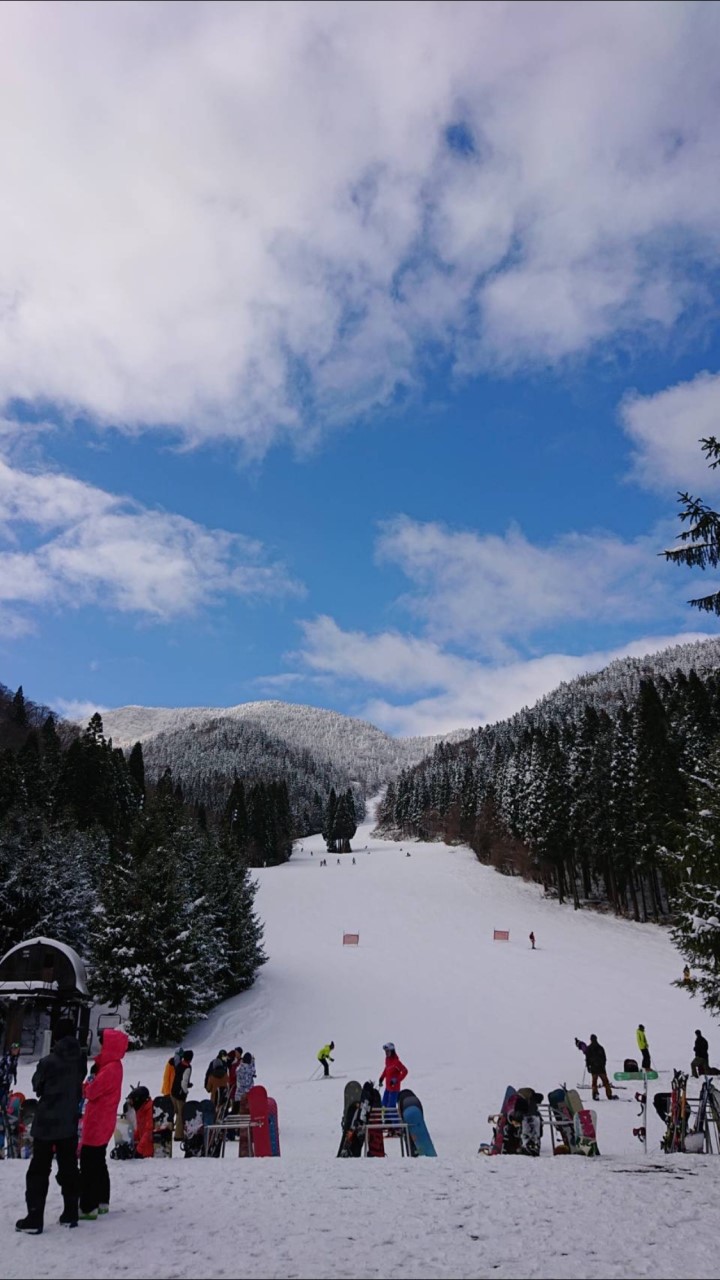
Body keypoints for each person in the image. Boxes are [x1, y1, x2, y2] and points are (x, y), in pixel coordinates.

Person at [15, 1017, 86, 1234]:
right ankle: (71, 1212)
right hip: (69, 1120)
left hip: (47, 1123)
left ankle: (35, 1217)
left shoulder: (48, 1062)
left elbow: (37, 1086)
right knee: (69, 1167)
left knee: (39, 1170)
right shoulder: (81, 1059)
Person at [78, 1027, 128, 1221]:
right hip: (103, 1120)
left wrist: (86, 1085)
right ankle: (101, 1201)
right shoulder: (112, 1066)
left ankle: (88, 1206)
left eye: (102, 1042)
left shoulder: (110, 1069)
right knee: (98, 1161)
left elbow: (91, 1091)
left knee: (89, 1163)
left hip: (97, 1121)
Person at [583, 1034, 617, 1101]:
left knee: (594, 1083)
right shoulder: (600, 1048)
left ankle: (595, 1095)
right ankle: (609, 1095)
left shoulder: (589, 1048)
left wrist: (588, 1067)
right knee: (606, 1082)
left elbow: (587, 1059)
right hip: (601, 1069)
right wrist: (603, 1065)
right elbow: (604, 1058)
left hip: (594, 1069)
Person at [171, 1049, 193, 1141]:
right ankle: (178, 1135)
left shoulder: (179, 1064)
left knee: (173, 1112)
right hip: (180, 1094)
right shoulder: (187, 1067)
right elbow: (183, 1082)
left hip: (173, 1091)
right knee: (180, 1115)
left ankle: (168, 1131)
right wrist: (186, 1091)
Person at [379, 1042, 408, 1108]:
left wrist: (396, 1080)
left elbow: (405, 1071)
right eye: (385, 1051)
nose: (386, 1053)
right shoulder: (387, 1060)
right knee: (383, 1104)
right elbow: (386, 1069)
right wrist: (382, 1077)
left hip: (394, 1089)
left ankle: (392, 1118)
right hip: (388, 1087)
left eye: (388, 1051)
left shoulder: (396, 1062)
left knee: (391, 1107)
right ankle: (385, 1118)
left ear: (392, 1051)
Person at [130, 1086, 153, 1157]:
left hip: (148, 1151)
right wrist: (131, 1142)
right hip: (143, 1148)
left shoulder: (150, 1110)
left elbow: (149, 1131)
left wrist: (139, 1149)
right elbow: (140, 1129)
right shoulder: (141, 1110)